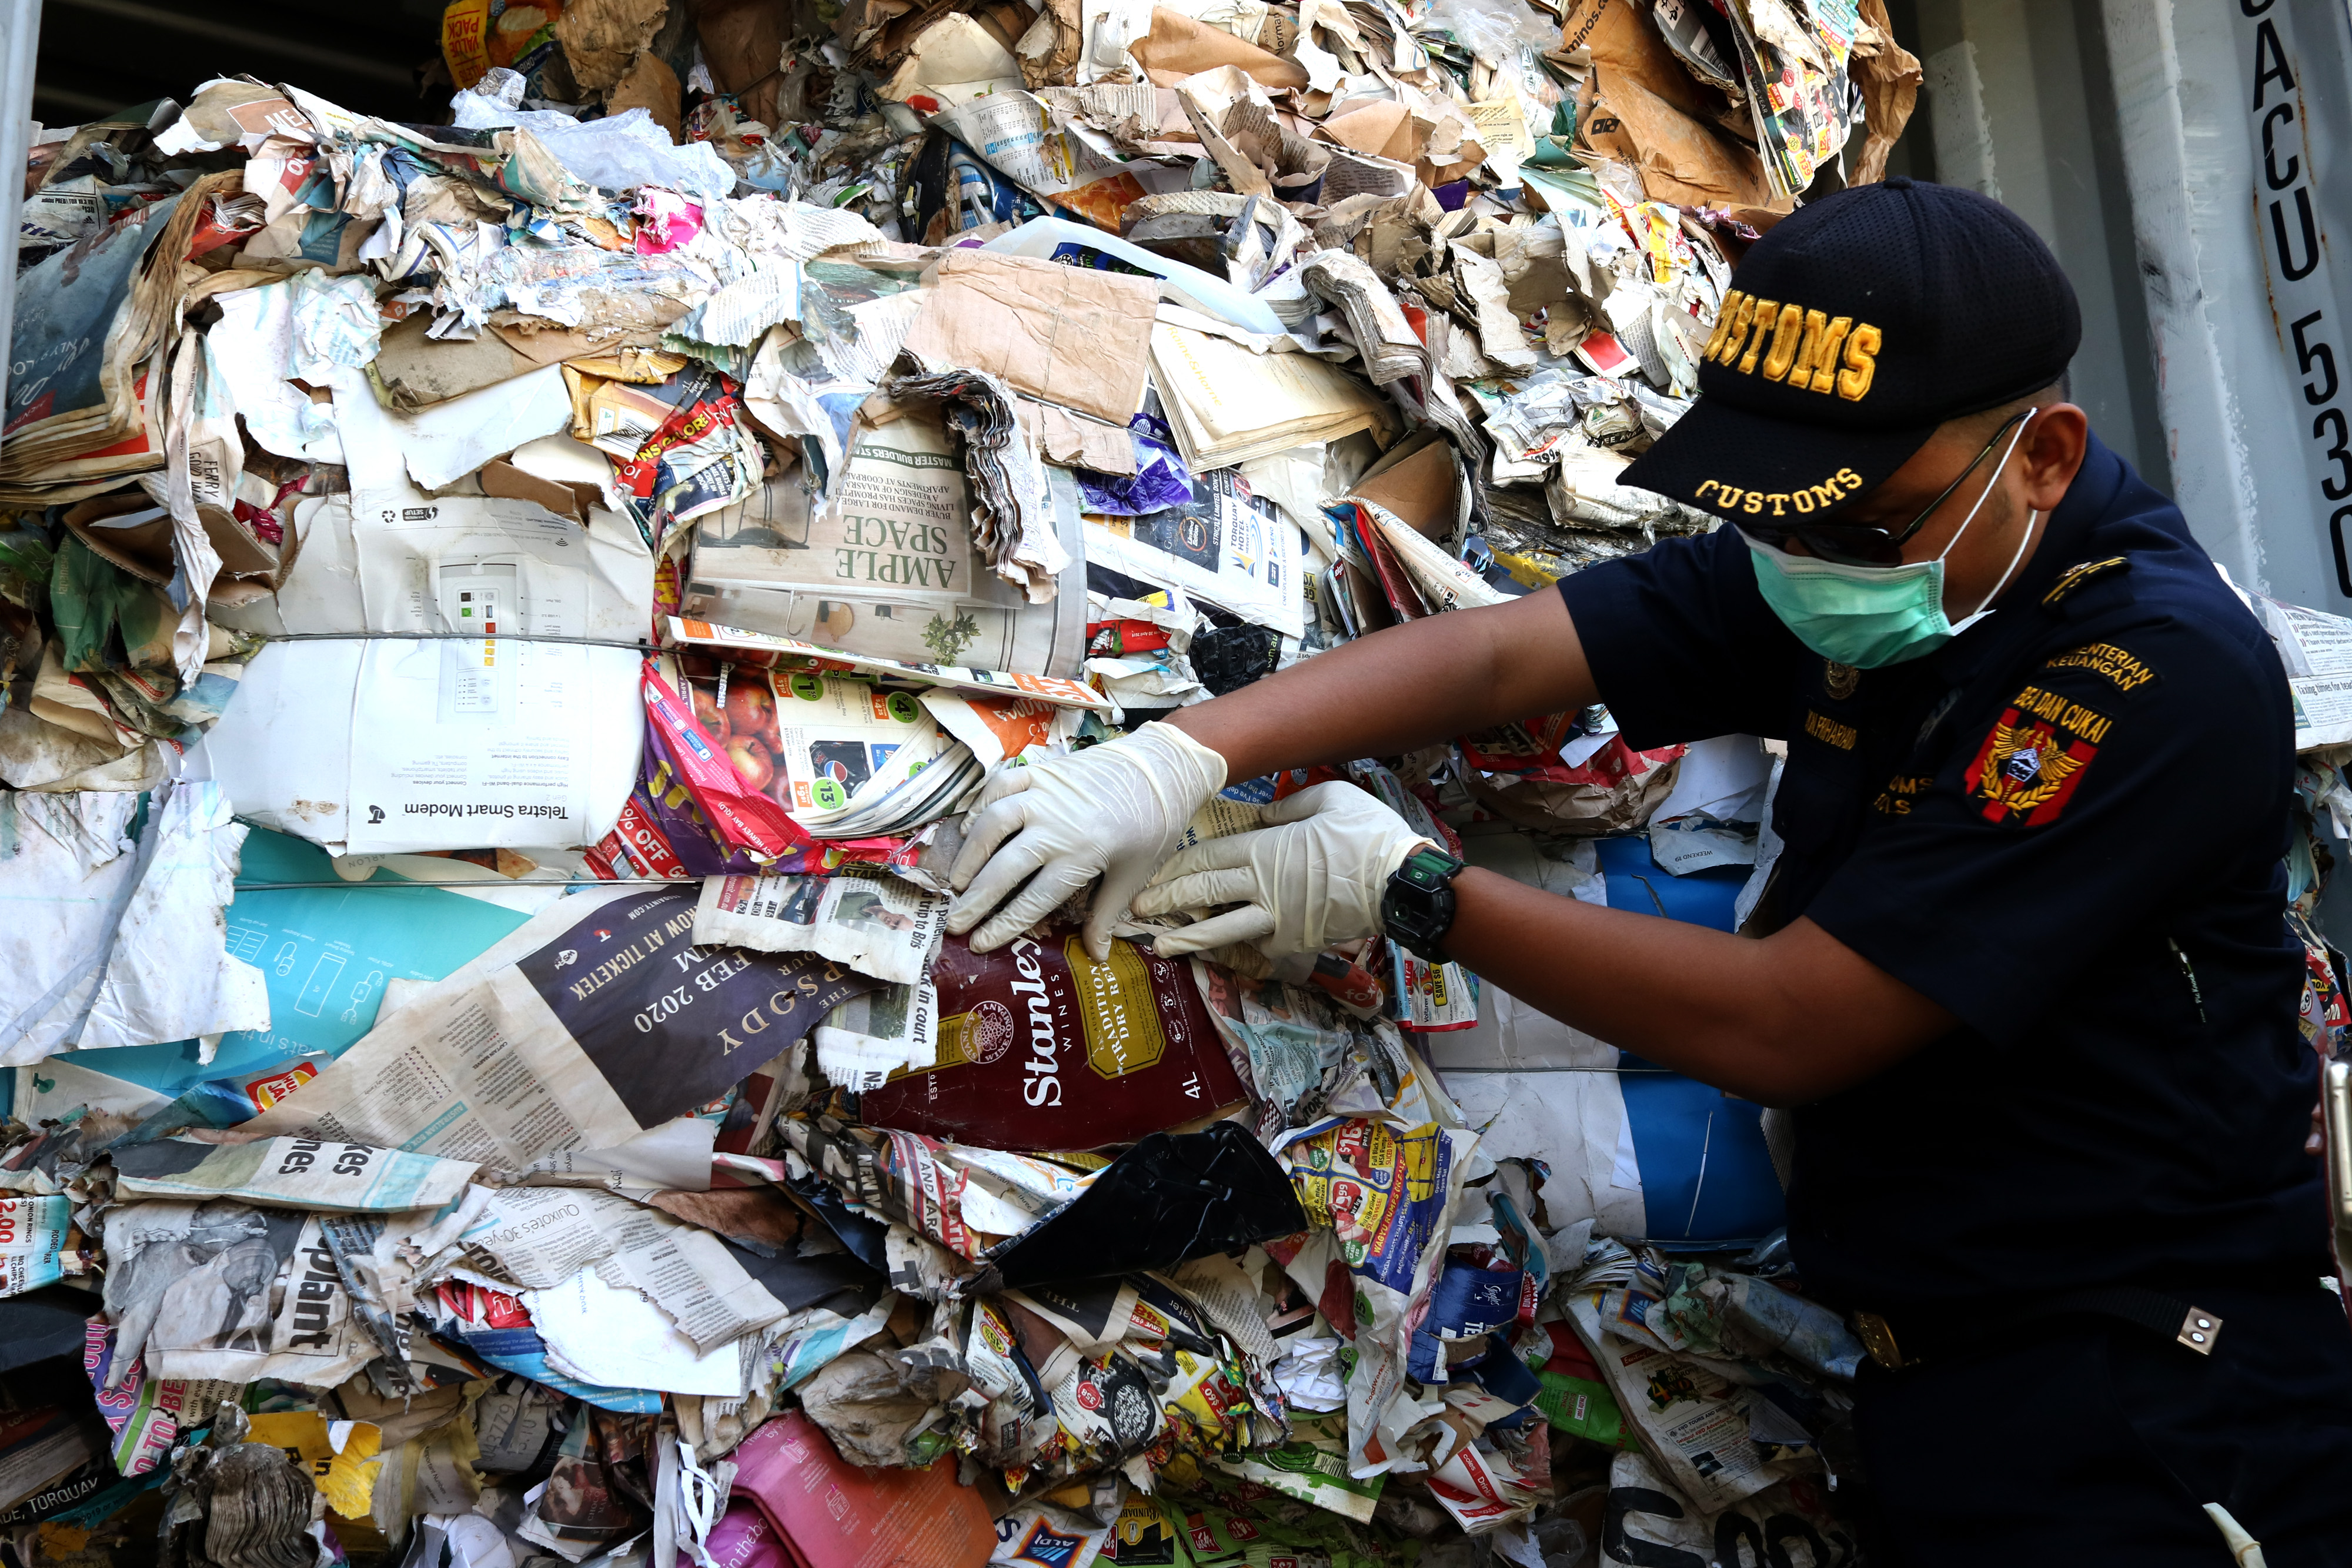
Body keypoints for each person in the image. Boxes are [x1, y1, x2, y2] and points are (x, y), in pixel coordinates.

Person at [944, 179, 2352, 1563]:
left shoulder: (2143, 675)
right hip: (1952, 1381)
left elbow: (1788, 1022)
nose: (1803, 558)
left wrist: (1409, 889)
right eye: (1780, 519)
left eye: (1853, 523)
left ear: (2039, 455)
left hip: (2152, 1410)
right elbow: (1509, 651)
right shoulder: (1888, 551)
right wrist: (1172, 759)